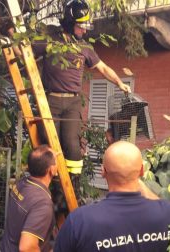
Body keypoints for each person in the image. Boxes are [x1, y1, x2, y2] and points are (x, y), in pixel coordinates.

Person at [30, 0, 131, 179]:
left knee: (72, 146)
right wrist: (11, 39)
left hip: (72, 103)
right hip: (50, 101)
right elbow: (24, 51)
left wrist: (119, 83)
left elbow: (104, 68)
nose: (84, 31)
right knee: (49, 145)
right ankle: (50, 187)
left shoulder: (85, 47)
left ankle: (72, 187)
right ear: (70, 23)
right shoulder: (50, 41)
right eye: (81, 26)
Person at [54, 141, 170, 252]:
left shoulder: (80, 220)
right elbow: (161, 206)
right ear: (142, 171)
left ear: (103, 171)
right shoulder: (168, 212)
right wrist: (134, 177)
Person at [0, 145, 57, 252]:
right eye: (56, 160)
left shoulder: (21, 183)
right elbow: (26, 247)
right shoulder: (42, 203)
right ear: (52, 170)